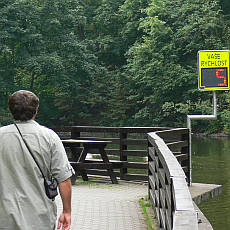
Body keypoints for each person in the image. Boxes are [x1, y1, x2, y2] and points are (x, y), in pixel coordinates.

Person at [0, 90, 74, 230]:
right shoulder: (50, 137)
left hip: (4, 217)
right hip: (40, 218)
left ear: (11, 110)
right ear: (35, 110)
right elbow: (64, 180)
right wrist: (66, 211)